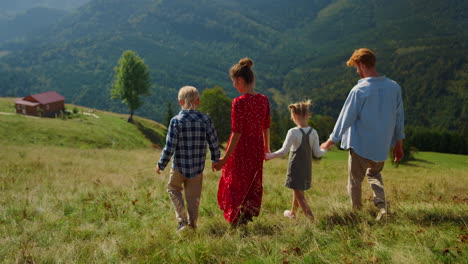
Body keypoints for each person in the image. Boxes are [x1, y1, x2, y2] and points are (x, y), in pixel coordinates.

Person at [320, 48, 405, 221]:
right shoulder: (394, 87)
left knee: (355, 181)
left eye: (356, 67)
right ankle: (383, 208)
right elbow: (399, 117)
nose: (357, 72)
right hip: (381, 145)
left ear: (361, 64)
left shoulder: (360, 90)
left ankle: (356, 214)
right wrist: (399, 144)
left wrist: (331, 140)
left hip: (361, 144)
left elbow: (346, 117)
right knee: (374, 175)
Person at [214, 58, 271, 226]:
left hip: (240, 150)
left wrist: (224, 159)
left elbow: (236, 133)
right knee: (251, 182)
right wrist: (266, 148)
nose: (233, 85)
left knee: (234, 184)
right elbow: (266, 126)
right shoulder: (263, 100)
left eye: (233, 81)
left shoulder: (238, 102)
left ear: (240, 80)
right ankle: (245, 217)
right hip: (256, 149)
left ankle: (235, 219)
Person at [156, 86, 220, 232]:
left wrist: (161, 164)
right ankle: (192, 225)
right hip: (197, 168)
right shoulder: (205, 119)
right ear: (198, 101)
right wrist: (216, 160)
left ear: (180, 102)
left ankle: (182, 222)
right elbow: (214, 142)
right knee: (193, 198)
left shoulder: (176, 121)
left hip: (178, 167)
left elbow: (169, 146)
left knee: (173, 189)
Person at [266, 100, 326, 221]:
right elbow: (318, 153)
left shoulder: (293, 132)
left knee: (299, 194)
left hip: (295, 168)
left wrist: (269, 156)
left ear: (294, 116)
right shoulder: (313, 132)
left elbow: (283, 151)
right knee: (298, 190)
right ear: (308, 115)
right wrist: (325, 148)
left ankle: (311, 219)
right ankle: (292, 213)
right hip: (307, 168)